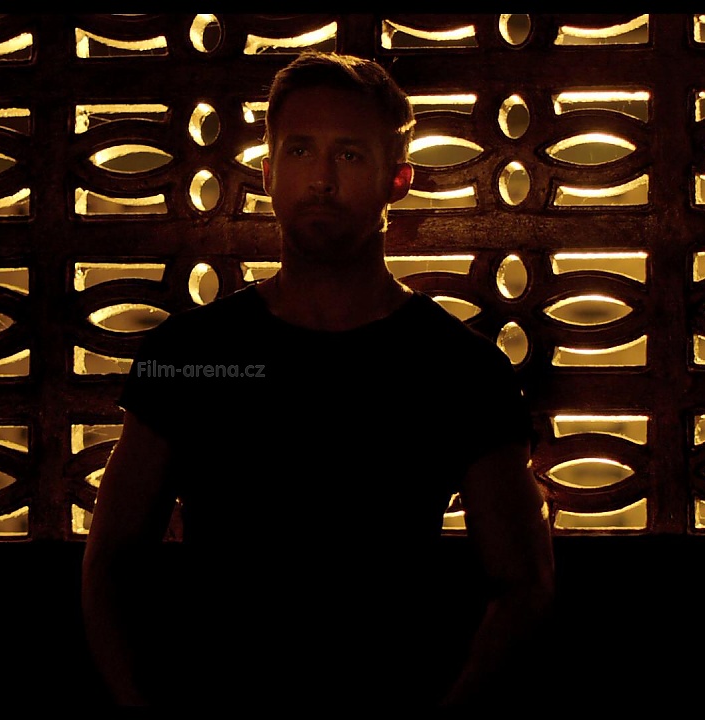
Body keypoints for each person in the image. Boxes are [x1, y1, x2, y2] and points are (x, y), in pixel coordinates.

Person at [81, 51, 554, 710]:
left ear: (398, 178)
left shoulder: (457, 369)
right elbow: (110, 564)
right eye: (300, 151)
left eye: (350, 155)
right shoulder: (193, 354)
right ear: (268, 173)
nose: (322, 180)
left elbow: (524, 582)